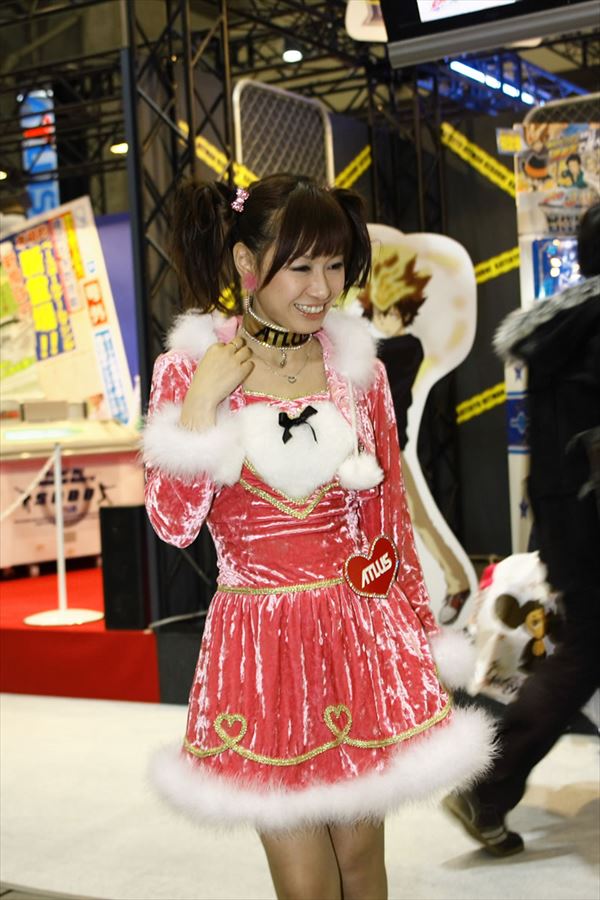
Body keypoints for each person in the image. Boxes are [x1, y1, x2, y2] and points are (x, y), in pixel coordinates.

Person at [142, 173, 494, 900]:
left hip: (354, 634)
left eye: (334, 265)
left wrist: (418, 640)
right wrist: (201, 405)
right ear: (247, 261)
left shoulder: (358, 371)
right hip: (258, 647)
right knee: (305, 884)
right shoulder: (188, 369)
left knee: (361, 866)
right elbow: (173, 524)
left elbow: (387, 522)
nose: (321, 288)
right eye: (300, 266)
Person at [443, 201, 600, 857]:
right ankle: (488, 786)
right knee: (583, 656)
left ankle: (488, 788)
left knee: (584, 653)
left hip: (569, 523)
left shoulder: (559, 329)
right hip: (590, 521)